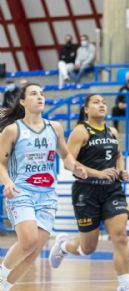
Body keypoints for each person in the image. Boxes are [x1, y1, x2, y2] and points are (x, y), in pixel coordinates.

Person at [0, 83, 88, 290]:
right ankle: (1, 273)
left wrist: (75, 167)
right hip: (22, 191)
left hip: (47, 195)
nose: (40, 97)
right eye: (33, 94)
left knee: (33, 252)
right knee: (28, 241)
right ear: (23, 101)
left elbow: (65, 155)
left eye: (42, 93)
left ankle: (4, 287)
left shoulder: (54, 127)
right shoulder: (13, 130)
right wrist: (8, 182)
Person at [48, 94, 129, 291]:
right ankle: (63, 246)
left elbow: (118, 155)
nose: (102, 105)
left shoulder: (112, 131)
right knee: (88, 248)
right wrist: (98, 173)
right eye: (96, 102)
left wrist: (121, 170)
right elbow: (69, 163)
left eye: (104, 102)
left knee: (120, 235)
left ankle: (125, 285)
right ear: (86, 109)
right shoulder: (80, 132)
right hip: (86, 192)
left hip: (112, 190)